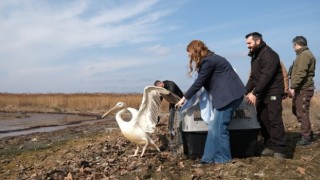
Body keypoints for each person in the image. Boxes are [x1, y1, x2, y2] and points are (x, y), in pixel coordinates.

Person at [175, 40, 245, 164]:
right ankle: (208, 158)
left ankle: (223, 159)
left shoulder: (209, 61)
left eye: (189, 54)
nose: (189, 57)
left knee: (219, 128)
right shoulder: (211, 59)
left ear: (195, 51)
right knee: (214, 127)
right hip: (229, 96)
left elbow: (198, 83)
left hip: (228, 97)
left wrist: (184, 98)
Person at [245, 32, 286, 158]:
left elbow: (266, 76)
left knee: (274, 119)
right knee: (263, 119)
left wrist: (255, 92)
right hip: (262, 92)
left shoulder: (270, 54)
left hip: (273, 91)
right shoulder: (255, 56)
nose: (247, 46)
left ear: (258, 41)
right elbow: (254, 78)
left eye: (249, 43)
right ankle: (270, 146)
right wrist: (244, 91)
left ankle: (280, 149)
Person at [289, 36, 316, 146]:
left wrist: (293, 86)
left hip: (304, 88)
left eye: (293, 45)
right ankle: (308, 132)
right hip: (301, 88)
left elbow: (301, 72)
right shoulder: (301, 55)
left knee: (302, 112)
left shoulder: (304, 55)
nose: (293, 47)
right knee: (297, 110)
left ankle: (306, 137)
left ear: (297, 44)